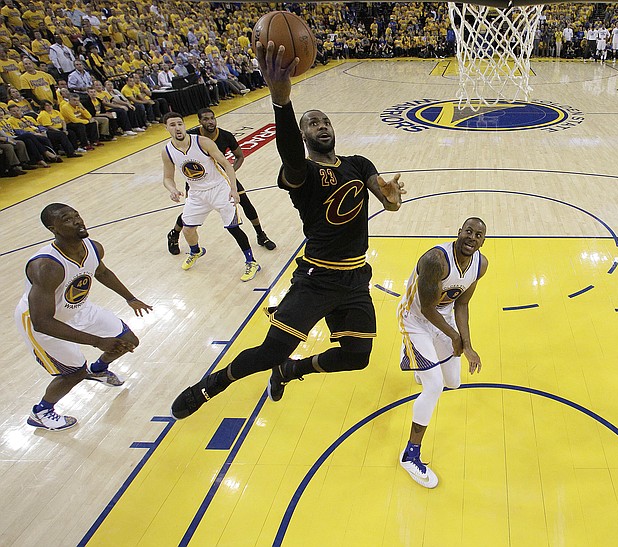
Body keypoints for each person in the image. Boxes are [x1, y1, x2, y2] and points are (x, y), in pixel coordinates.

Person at [170, 41, 405, 420]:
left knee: (356, 357)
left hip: (355, 278)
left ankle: (293, 371)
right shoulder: (303, 173)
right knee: (271, 351)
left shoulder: (359, 163)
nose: (322, 126)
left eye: (325, 121)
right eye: (313, 123)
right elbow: (292, 157)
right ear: (303, 134)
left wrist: (392, 199)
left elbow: (389, 203)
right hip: (317, 278)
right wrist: (281, 101)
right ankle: (211, 385)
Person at [14, 204, 152, 430]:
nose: (77, 221)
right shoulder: (46, 266)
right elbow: (42, 322)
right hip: (42, 321)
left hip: (77, 308)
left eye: (76, 215)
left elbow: (102, 272)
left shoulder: (92, 247)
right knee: (74, 372)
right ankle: (41, 411)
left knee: (129, 340)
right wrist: (97, 341)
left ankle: (98, 371)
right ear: (53, 228)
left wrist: (130, 298)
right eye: (67, 220)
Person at [398, 218, 488, 488]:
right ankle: (410, 454)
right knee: (435, 386)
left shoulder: (480, 265)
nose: (472, 237)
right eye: (468, 231)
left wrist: (468, 345)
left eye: (478, 235)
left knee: (453, 382)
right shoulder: (436, 260)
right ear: (458, 232)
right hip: (415, 320)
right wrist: (454, 336)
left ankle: (420, 364)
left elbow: (461, 304)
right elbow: (427, 309)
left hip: (444, 319)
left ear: (484, 241)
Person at [161, 111, 261, 281]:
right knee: (187, 228)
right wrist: (172, 189)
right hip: (196, 193)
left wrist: (234, 189)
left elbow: (227, 165)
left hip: (219, 188)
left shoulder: (202, 142)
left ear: (184, 125)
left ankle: (252, 262)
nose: (177, 128)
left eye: (179, 123)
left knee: (233, 228)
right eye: (172, 125)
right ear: (166, 128)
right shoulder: (167, 151)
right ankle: (196, 251)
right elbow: (167, 178)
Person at [167, 107, 276, 255]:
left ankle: (260, 235)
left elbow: (240, 157)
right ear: (199, 122)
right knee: (190, 212)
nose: (210, 121)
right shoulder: (191, 136)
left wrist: (229, 174)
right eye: (205, 119)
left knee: (246, 203)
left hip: (221, 179)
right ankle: (174, 234)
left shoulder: (225, 136)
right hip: (197, 181)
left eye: (212, 118)